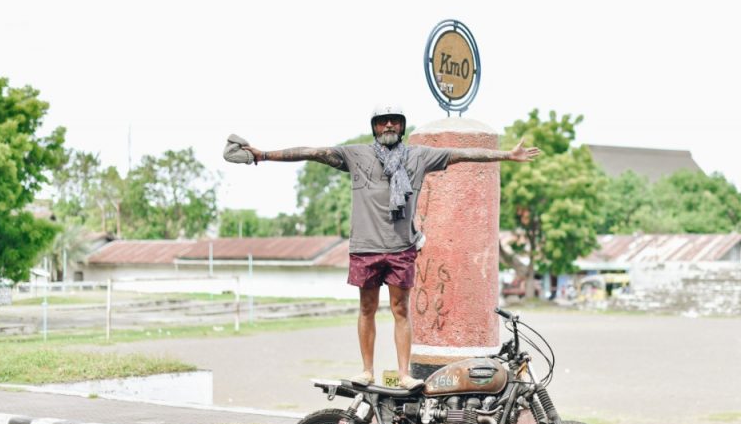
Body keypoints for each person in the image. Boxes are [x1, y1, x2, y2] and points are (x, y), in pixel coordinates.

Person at [224, 103, 540, 389]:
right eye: (382, 121)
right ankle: (367, 370)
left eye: (394, 121)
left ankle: (404, 374)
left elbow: (462, 155)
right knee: (367, 308)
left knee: (401, 309)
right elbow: (314, 152)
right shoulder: (356, 155)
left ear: (401, 126)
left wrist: (506, 156)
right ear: (374, 126)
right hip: (365, 248)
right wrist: (262, 155)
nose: (388, 125)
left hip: (401, 248)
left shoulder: (419, 156)